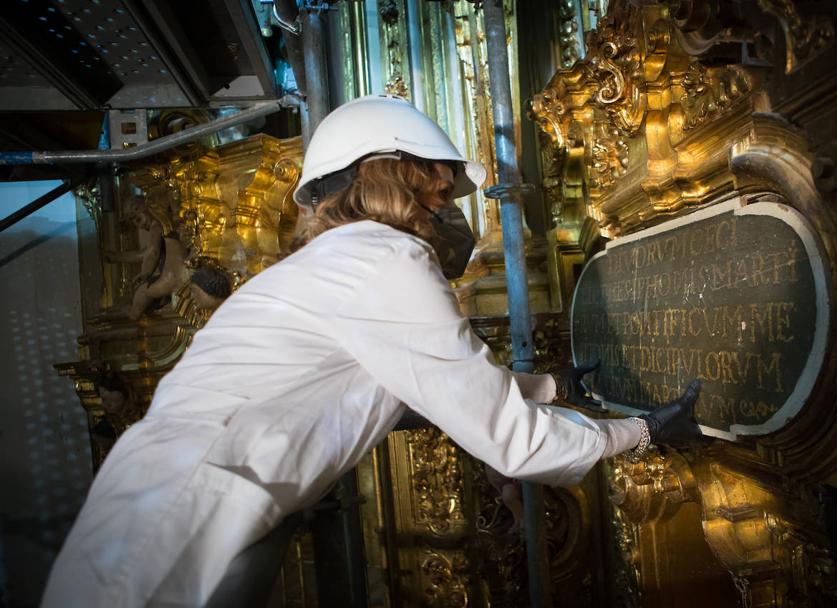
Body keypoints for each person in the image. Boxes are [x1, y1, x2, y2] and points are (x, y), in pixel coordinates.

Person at [42, 94, 703, 607]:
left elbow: (417, 388)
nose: (448, 209)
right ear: (395, 176)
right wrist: (641, 432)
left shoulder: (348, 261)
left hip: (197, 497)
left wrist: (553, 387)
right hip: (183, 511)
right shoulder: (386, 260)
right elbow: (515, 444)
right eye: (441, 189)